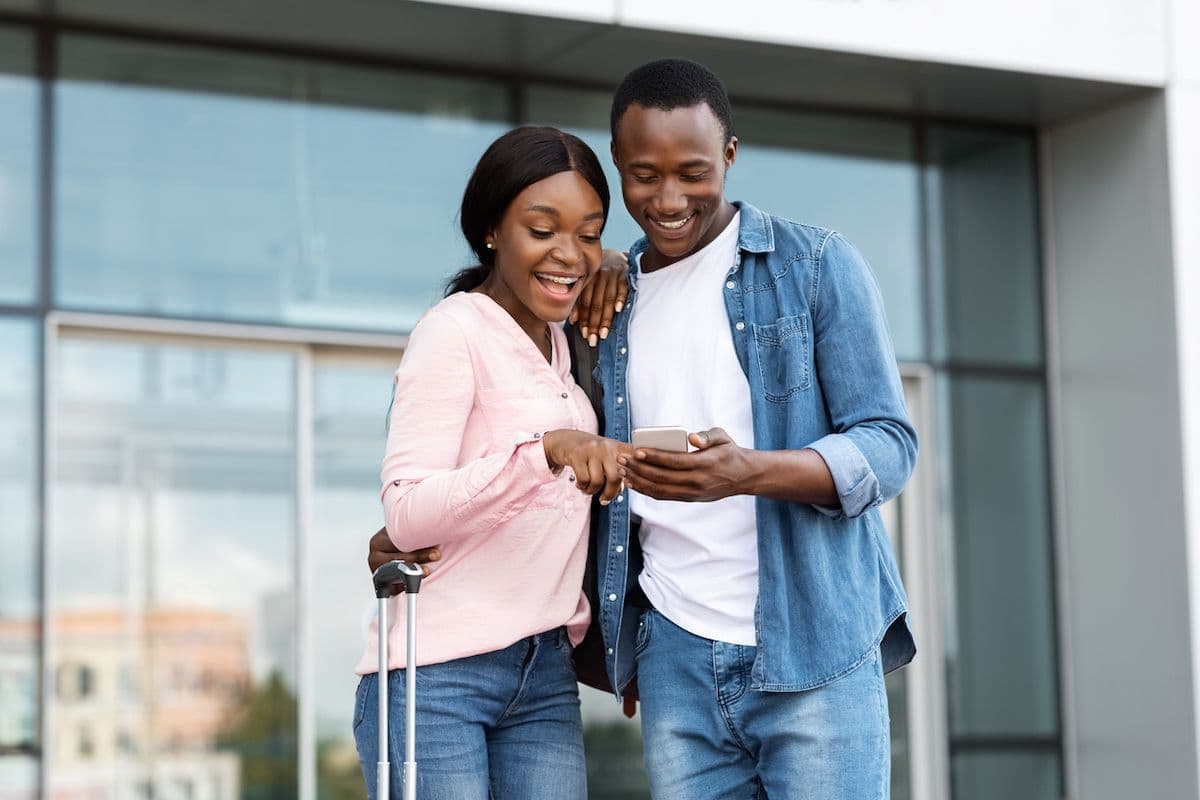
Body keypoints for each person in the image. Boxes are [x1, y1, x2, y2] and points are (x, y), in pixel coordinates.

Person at [372, 59, 918, 800]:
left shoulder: (815, 265)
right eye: (642, 175)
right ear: (620, 166)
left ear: (729, 155)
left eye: (693, 171)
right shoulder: (603, 306)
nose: (667, 199)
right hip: (675, 661)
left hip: (814, 644)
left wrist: (748, 471)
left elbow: (888, 443)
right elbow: (564, 467)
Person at [352, 125, 633, 800]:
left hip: (543, 672)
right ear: (490, 232)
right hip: (437, 677)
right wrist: (544, 453)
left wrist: (618, 261)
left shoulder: (566, 343)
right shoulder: (454, 331)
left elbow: (606, 262)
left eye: (588, 232)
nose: (569, 254)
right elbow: (407, 512)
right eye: (542, 230)